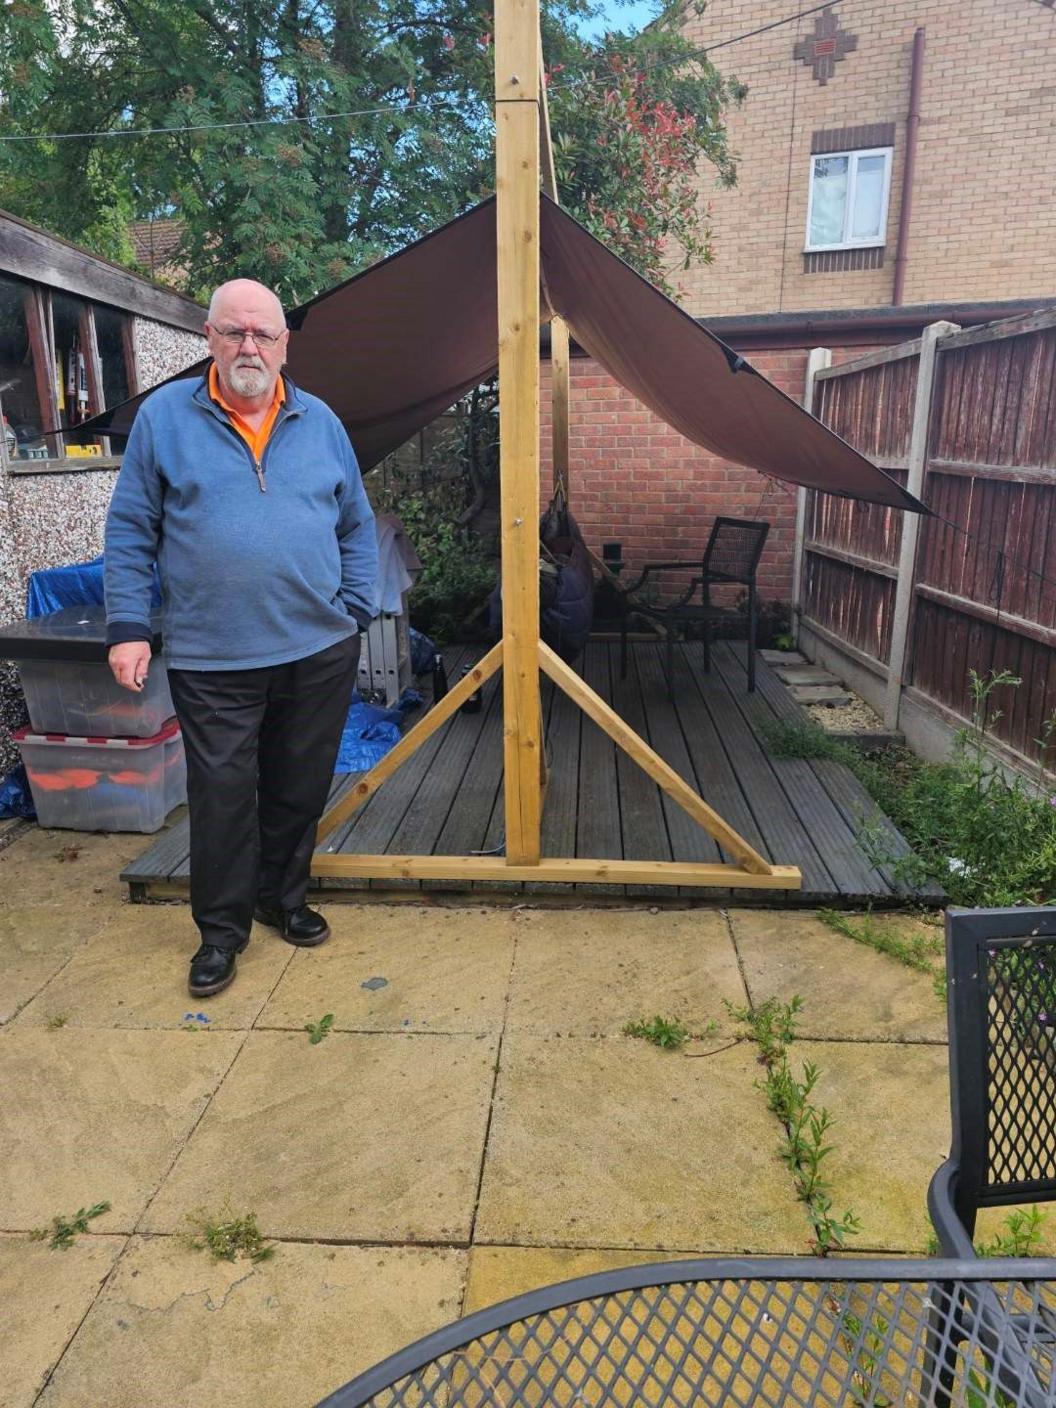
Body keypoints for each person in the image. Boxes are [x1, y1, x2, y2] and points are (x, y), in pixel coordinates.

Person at [105, 279, 378, 998]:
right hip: (212, 656)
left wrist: (355, 606)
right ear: (210, 337)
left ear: (285, 345)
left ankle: (281, 899)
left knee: (297, 788)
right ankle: (220, 935)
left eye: (263, 333)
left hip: (317, 649)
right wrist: (129, 628)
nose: (249, 346)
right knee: (223, 798)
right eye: (235, 332)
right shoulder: (165, 419)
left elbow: (356, 521)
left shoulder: (320, 422)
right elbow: (131, 530)